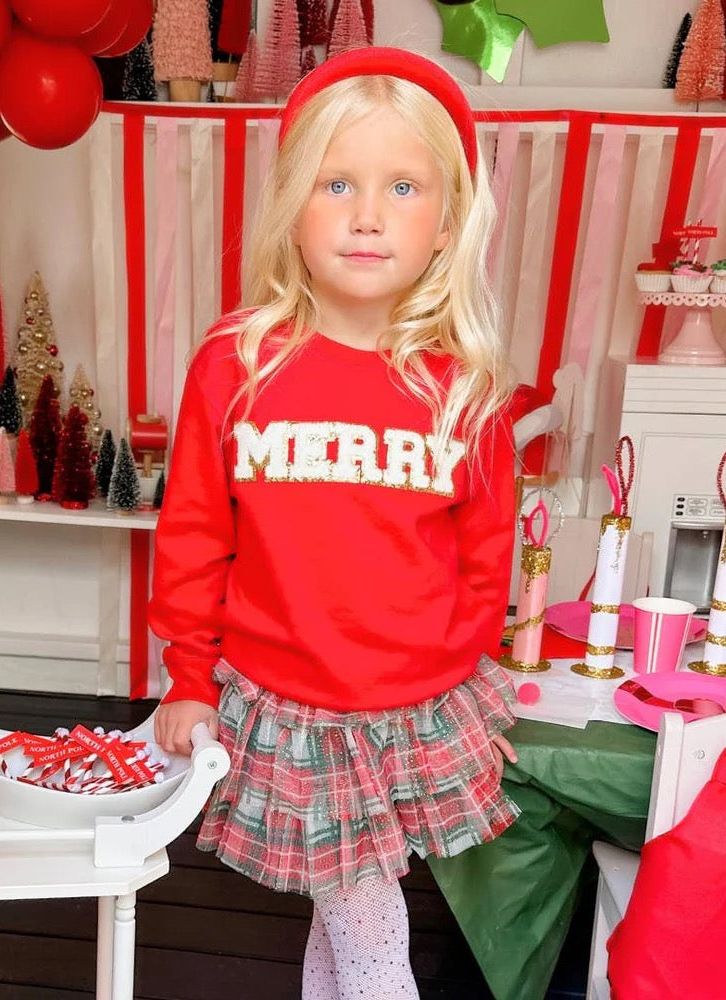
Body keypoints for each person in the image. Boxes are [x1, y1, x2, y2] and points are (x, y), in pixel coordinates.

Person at [149, 47, 519, 1000]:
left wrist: (462, 684)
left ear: (446, 223)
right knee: (368, 925)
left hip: (414, 710)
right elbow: (193, 535)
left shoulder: (464, 389)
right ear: (293, 208)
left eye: (403, 186)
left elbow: (486, 558)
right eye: (337, 183)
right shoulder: (237, 364)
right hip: (291, 705)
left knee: (345, 910)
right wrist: (187, 676)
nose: (367, 215)